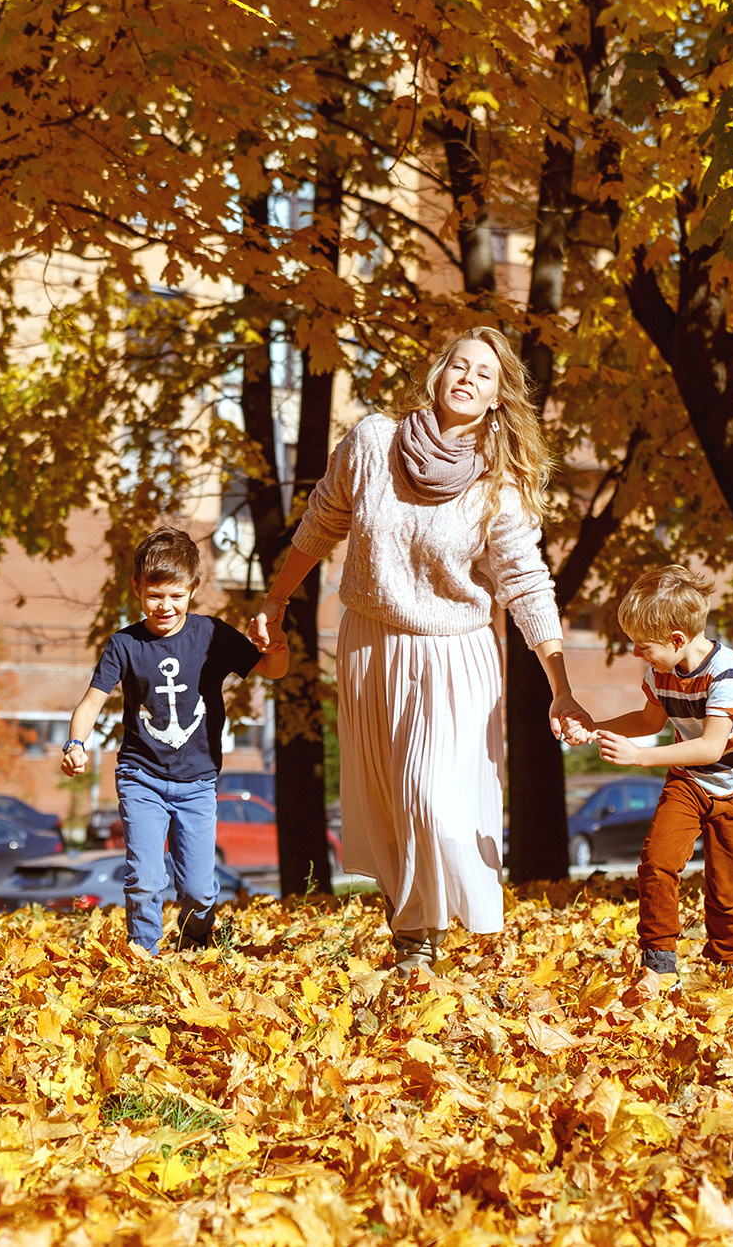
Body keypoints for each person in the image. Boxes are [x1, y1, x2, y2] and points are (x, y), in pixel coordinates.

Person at [247, 326, 593, 971]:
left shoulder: (498, 487)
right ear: (438, 375)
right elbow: (321, 522)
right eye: (459, 365)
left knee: (431, 798)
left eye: (484, 374)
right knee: (392, 805)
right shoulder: (373, 442)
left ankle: (449, 926)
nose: (467, 377)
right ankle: (414, 944)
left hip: (455, 655)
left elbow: (527, 584)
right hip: (370, 644)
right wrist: (275, 601)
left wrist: (561, 687)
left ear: (497, 398)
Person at [63, 527, 286, 956]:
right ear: (137, 588)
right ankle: (143, 957)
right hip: (140, 776)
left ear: (193, 590)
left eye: (176, 596)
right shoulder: (124, 645)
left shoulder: (212, 636)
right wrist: (74, 744)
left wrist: (276, 646)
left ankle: (194, 945)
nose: (165, 606)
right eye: (154, 595)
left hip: (197, 781)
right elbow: (90, 703)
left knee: (200, 891)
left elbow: (273, 670)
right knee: (145, 879)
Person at [588, 564, 733, 980]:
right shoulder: (661, 670)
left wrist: (637, 758)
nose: (636, 654)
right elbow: (650, 722)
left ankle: (726, 965)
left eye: (643, 645)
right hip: (690, 782)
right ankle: (659, 963)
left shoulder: (725, 671)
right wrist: (595, 726)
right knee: (657, 861)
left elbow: (710, 745)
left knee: (724, 887)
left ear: (677, 639)